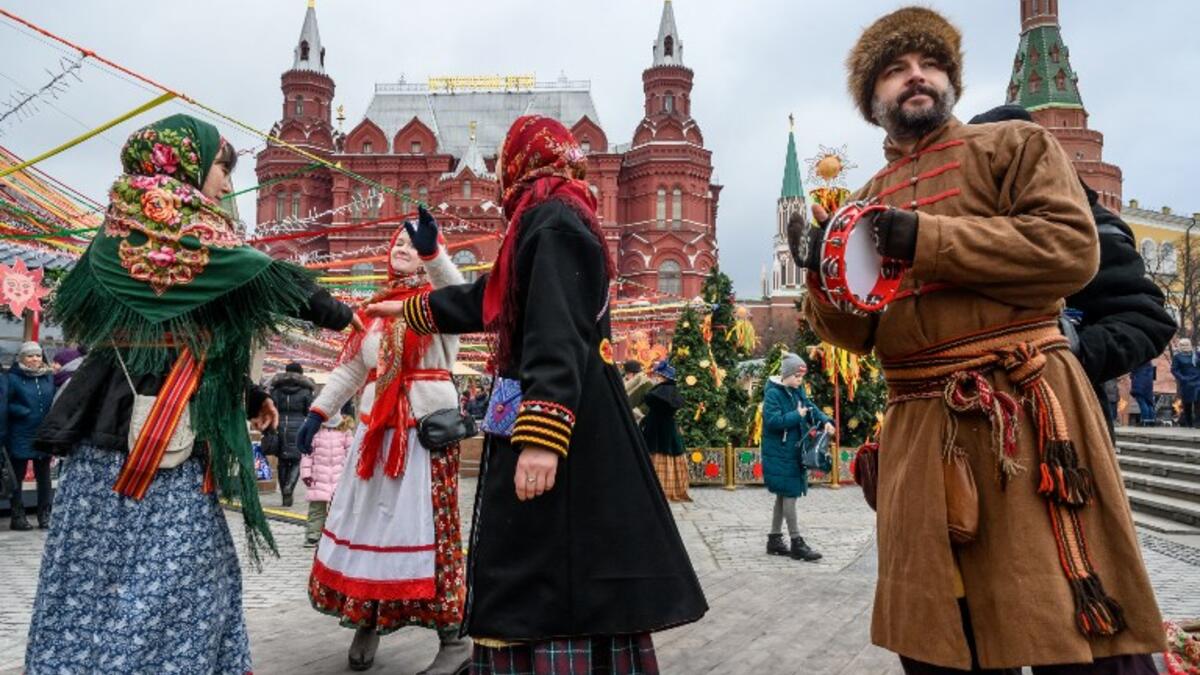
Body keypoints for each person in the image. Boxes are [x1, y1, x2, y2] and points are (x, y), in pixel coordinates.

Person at [791, 8, 1163, 671]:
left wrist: (924, 240)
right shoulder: (865, 196)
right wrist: (821, 278)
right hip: (917, 429)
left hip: (1021, 414)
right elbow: (861, 333)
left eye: (930, 65)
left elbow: (1070, 250)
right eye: (896, 69)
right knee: (938, 641)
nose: (916, 77)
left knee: (1061, 626)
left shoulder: (1014, 148)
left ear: (951, 81)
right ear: (872, 99)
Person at [25, 114, 356, 673]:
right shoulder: (185, 233)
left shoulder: (115, 232)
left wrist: (250, 395)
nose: (227, 185)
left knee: (97, 579)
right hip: (150, 449)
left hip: (102, 440)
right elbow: (261, 277)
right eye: (222, 169)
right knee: (172, 581)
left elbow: (183, 338)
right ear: (187, 164)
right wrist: (343, 314)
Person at [378, 115, 707, 673]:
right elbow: (494, 300)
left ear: (518, 166)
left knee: (547, 565)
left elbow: (556, 331)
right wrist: (416, 309)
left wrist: (543, 436)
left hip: (565, 429)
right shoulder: (548, 217)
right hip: (567, 418)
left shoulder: (550, 221)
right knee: (544, 564)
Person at [298, 208, 471, 675]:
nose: (401, 248)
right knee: (369, 525)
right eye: (397, 243)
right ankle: (366, 618)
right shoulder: (373, 310)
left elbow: (459, 292)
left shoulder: (439, 302)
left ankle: (454, 637)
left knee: (430, 531)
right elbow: (355, 368)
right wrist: (319, 411)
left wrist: (435, 252)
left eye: (411, 246)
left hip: (421, 432)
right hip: (374, 433)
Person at [967, 105, 1176, 438]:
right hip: (985, 422)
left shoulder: (1089, 225)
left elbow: (1147, 318)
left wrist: (1066, 351)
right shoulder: (979, 222)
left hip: (1064, 428)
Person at [760, 352, 832, 562]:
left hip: (792, 451)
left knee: (783, 495)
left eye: (802, 378)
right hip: (780, 453)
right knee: (790, 494)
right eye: (797, 377)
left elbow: (810, 408)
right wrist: (796, 416)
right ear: (787, 375)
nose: (800, 381)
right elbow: (772, 421)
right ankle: (796, 542)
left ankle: (774, 540)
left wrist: (826, 421)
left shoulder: (796, 390)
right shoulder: (773, 394)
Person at [7, 341, 56, 530]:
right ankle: (17, 516)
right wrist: (22, 411)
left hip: (43, 433)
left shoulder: (48, 377)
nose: (35, 359)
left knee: (44, 477)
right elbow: (5, 403)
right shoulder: (12, 378)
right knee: (16, 477)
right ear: (21, 358)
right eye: (30, 356)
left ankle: (44, 514)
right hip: (20, 433)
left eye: (37, 355)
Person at [299, 402, 354, 548]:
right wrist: (306, 473)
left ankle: (336, 535)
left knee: (338, 509)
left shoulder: (345, 432)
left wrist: (352, 472)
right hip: (318, 477)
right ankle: (313, 535)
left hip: (339, 477)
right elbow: (307, 455)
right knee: (317, 509)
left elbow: (351, 453)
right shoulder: (314, 433)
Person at [641, 360, 690, 502]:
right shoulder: (673, 391)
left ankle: (658, 489)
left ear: (662, 376)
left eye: (657, 374)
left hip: (655, 427)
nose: (655, 377)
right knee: (672, 451)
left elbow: (649, 399)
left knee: (656, 453)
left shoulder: (658, 392)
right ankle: (674, 488)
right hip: (669, 427)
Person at [269, 361, 316, 507]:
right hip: (299, 427)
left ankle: (284, 492)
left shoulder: (276, 390)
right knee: (297, 460)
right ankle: (290, 486)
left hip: (280, 426)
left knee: (282, 461)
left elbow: (271, 408)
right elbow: (310, 410)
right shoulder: (306, 391)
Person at [1171, 339, 1200, 427]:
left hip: (1198, 380)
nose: (1185, 346)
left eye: (1187, 344)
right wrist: (1182, 378)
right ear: (1180, 346)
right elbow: (1174, 370)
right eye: (1183, 344)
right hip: (1186, 382)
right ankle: (1189, 423)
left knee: (1198, 403)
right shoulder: (1177, 356)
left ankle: (1198, 423)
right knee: (1187, 404)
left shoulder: (1196, 354)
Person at [623, 359, 655, 424]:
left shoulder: (646, 383)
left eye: (627, 373)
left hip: (638, 420)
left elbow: (649, 403)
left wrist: (635, 413)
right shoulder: (625, 381)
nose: (626, 375)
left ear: (632, 373)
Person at [1129, 362, 1157, 427]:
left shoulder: (1138, 363)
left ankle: (1145, 421)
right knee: (1149, 403)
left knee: (1142, 403)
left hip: (1139, 386)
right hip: (1149, 387)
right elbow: (1153, 377)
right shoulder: (1150, 365)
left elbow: (1132, 375)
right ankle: (1151, 421)